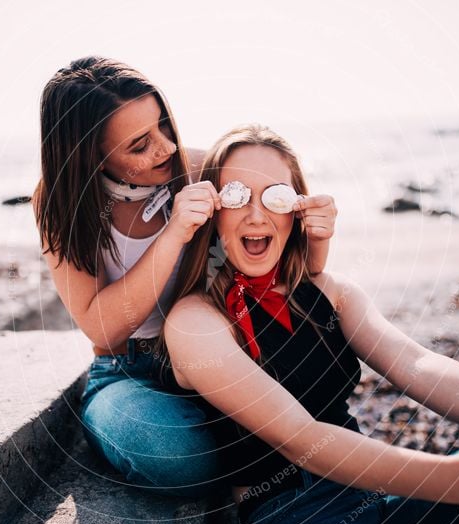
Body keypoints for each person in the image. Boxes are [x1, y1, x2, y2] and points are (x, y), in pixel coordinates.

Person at [159, 123, 459, 524]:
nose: (256, 215)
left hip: (373, 490)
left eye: (273, 196)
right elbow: (301, 438)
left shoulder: (331, 294)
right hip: (296, 520)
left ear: (298, 211)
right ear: (214, 211)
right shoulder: (195, 323)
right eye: (236, 195)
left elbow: (419, 365)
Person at [31, 57, 338, 498]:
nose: (166, 149)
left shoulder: (197, 167)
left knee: (302, 401)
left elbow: (288, 261)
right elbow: (103, 328)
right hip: (127, 370)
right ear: (89, 156)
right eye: (139, 145)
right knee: (173, 453)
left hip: (216, 351)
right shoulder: (56, 203)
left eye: (165, 126)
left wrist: (318, 233)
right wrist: (174, 233)